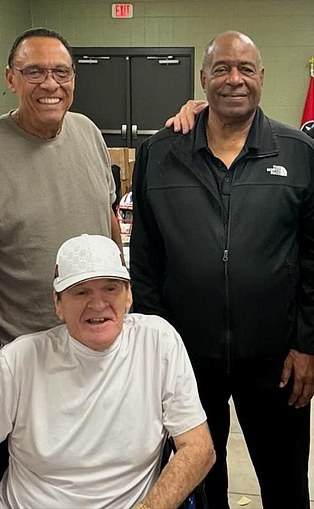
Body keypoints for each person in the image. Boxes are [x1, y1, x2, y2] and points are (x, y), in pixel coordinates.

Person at [130, 31, 314, 509]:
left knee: (287, 483)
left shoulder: (299, 153)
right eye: (222, 68)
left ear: (262, 78)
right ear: (203, 77)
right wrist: (156, 349)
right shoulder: (159, 155)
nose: (235, 79)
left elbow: (313, 258)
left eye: (246, 69)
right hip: (187, 359)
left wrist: (307, 343)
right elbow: (146, 263)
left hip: (277, 361)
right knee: (198, 482)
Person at [0, 234, 214, 509]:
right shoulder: (20, 361)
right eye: (81, 292)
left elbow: (198, 447)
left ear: (129, 296)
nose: (98, 304)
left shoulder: (157, 342)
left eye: (111, 288)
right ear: (58, 304)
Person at [0, 26, 123, 344]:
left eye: (61, 72)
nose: (50, 84)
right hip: (26, 344)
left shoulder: (88, 132)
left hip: (98, 334)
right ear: (10, 78)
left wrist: (123, 297)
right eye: (34, 72)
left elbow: (108, 216)